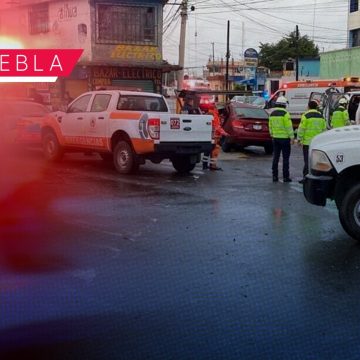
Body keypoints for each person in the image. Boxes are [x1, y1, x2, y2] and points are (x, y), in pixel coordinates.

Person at [297, 100, 327, 184]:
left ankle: (306, 178)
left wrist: (299, 139)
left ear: (309, 107)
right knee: (317, 162)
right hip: (318, 144)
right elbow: (324, 129)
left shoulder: (305, 116)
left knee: (307, 161)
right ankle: (317, 179)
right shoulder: (321, 116)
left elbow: (301, 129)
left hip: (307, 143)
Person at [269, 96, 294, 183]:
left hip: (275, 138)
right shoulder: (285, 114)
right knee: (285, 158)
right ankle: (285, 177)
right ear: (284, 105)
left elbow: (270, 126)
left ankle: (274, 176)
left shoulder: (272, 114)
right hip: (285, 139)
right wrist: (292, 137)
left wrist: (272, 134)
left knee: (276, 157)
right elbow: (289, 127)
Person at [202, 106, 227, 171]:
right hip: (214, 137)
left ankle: (206, 165)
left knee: (208, 152)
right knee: (213, 151)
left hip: (210, 136)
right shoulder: (213, 114)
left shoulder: (210, 114)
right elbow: (216, 126)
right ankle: (211, 165)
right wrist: (224, 133)